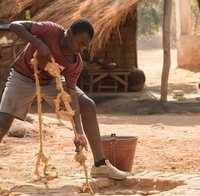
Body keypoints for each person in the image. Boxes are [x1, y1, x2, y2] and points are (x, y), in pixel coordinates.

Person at [0, 18, 127, 179]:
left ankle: (100, 164)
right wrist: (38, 43)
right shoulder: (50, 30)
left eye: (84, 47)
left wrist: (79, 132)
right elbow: (14, 26)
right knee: (2, 123)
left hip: (53, 81)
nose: (80, 49)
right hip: (23, 76)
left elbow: (71, 95)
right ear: (70, 33)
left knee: (87, 105)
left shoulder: (75, 62)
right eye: (79, 43)